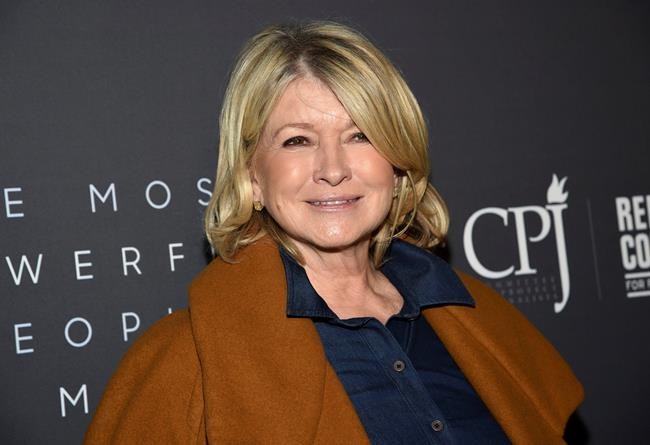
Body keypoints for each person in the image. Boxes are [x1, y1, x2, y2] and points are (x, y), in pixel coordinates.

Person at [84, 21, 583, 444]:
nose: (333, 169)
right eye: (297, 141)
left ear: (397, 164)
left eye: (359, 135)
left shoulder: (482, 323)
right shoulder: (186, 362)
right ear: (252, 177)